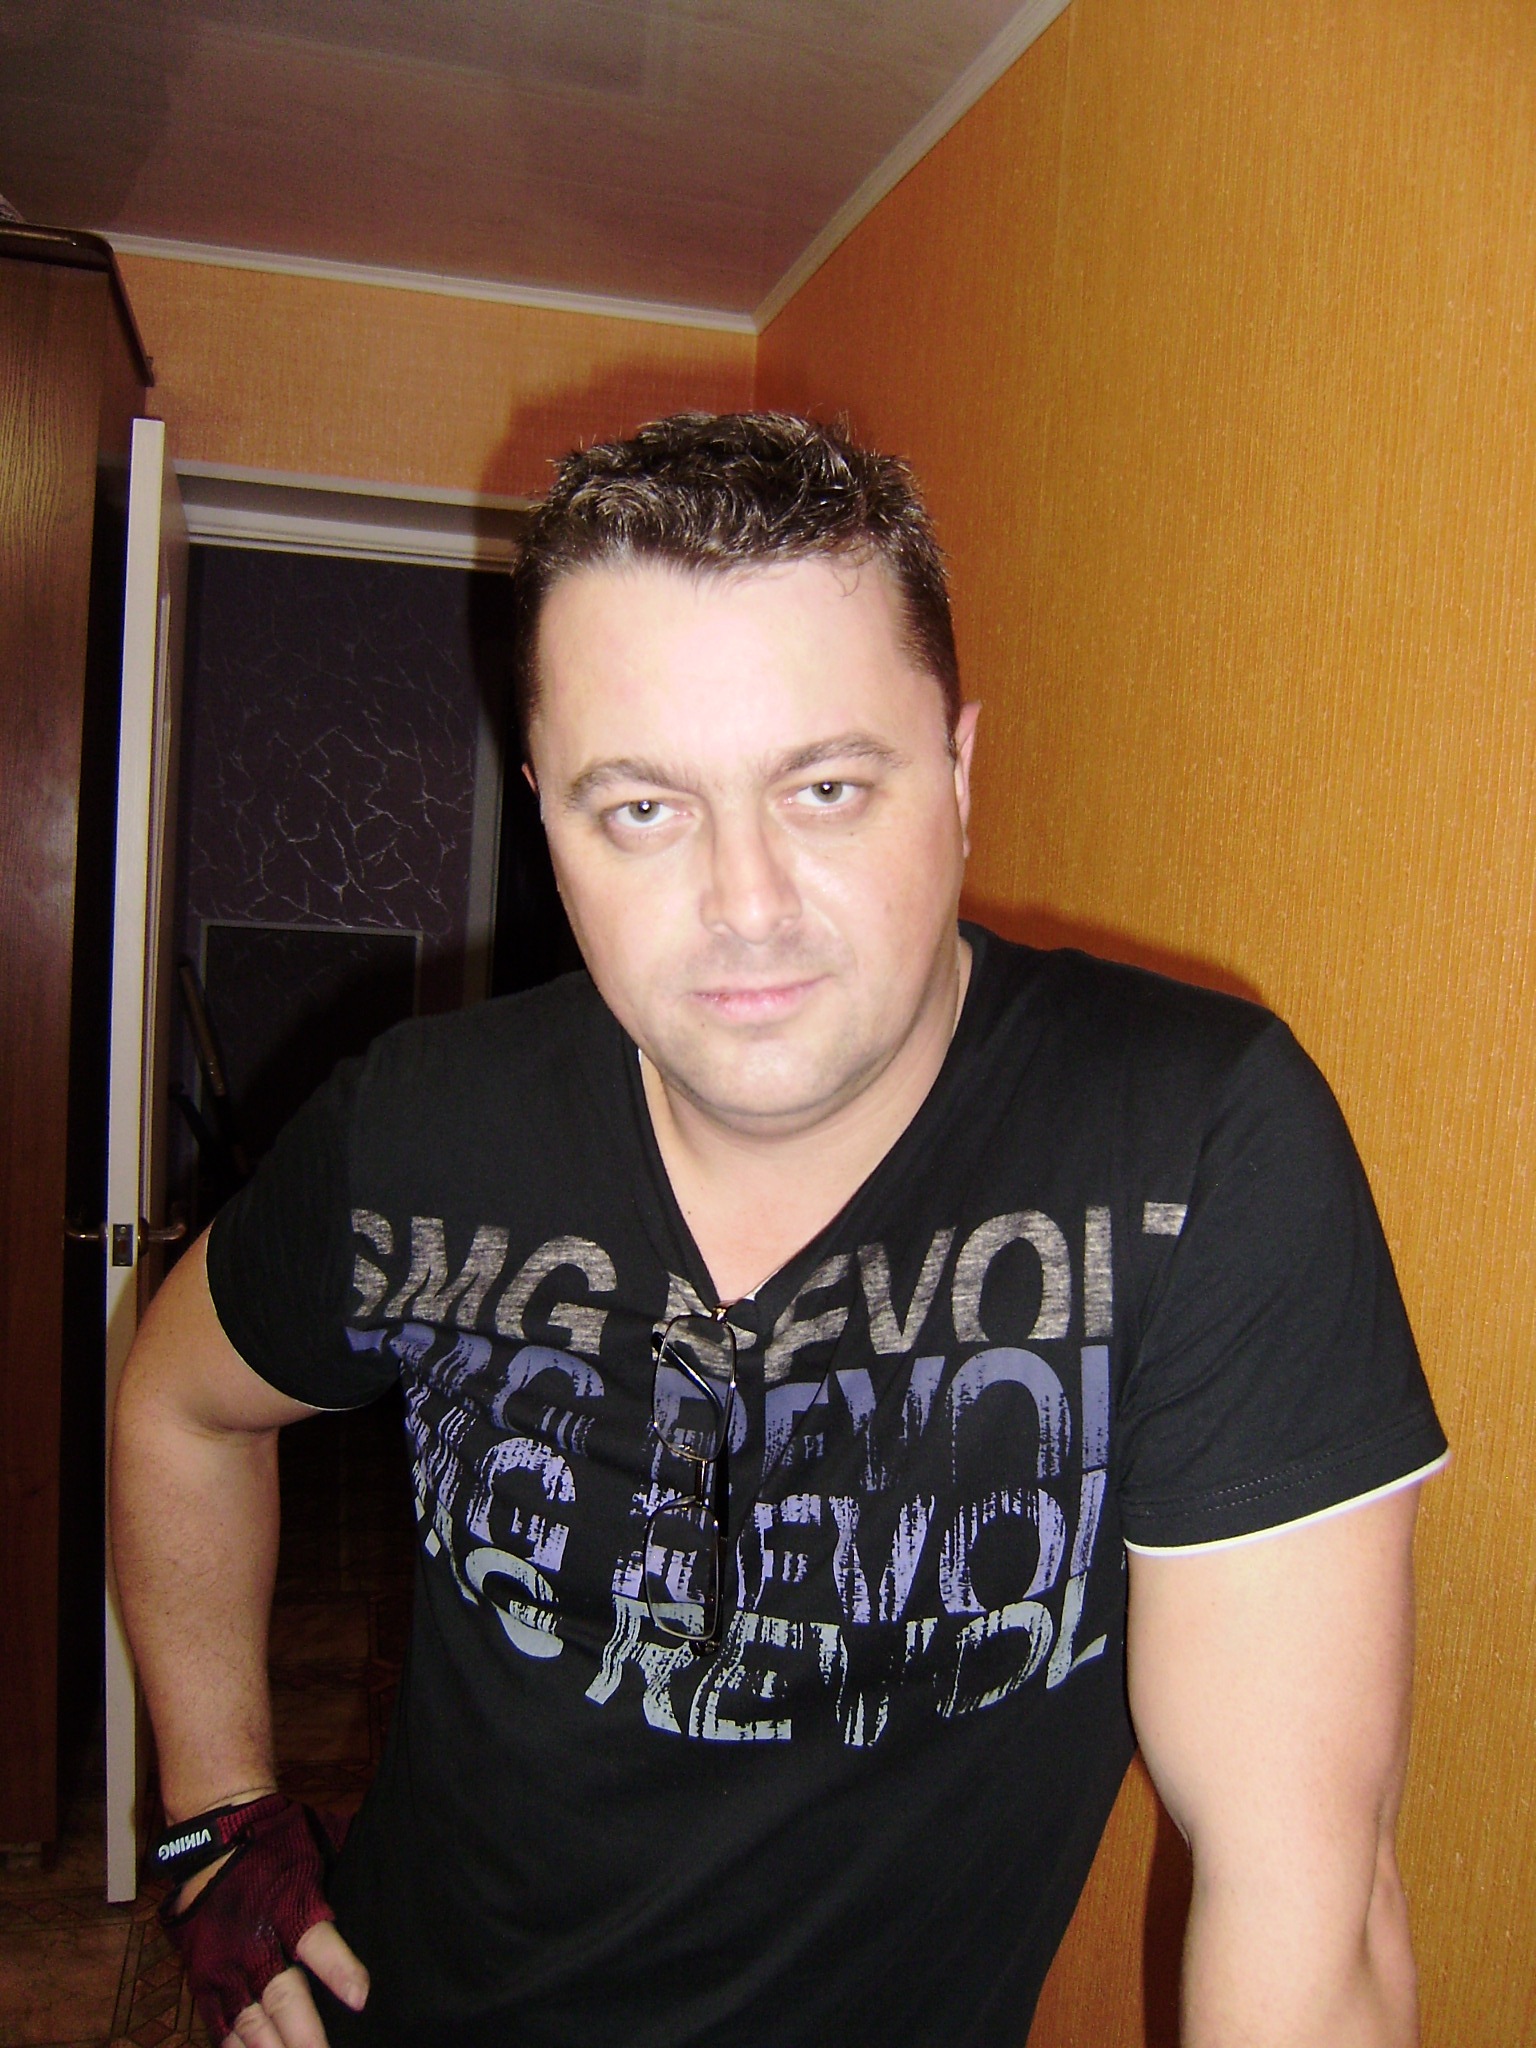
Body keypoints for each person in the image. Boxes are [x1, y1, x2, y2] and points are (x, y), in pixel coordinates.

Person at [112, 412, 1447, 2048]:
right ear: (546, 819)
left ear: (958, 773)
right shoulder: (419, 1125)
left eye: (825, 788)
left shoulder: (1191, 1150)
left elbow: (1304, 1901)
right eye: (641, 810)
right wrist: (213, 1819)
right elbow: (182, 1404)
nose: (745, 907)